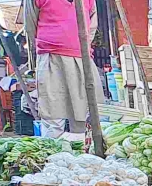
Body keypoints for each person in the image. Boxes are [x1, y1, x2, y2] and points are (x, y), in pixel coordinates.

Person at [22, 0, 102, 138]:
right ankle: (53, 156)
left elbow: (92, 23)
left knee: (83, 114)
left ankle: (84, 154)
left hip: (82, 59)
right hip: (51, 58)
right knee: (53, 114)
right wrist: (50, 42)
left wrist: (82, 44)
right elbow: (30, 26)